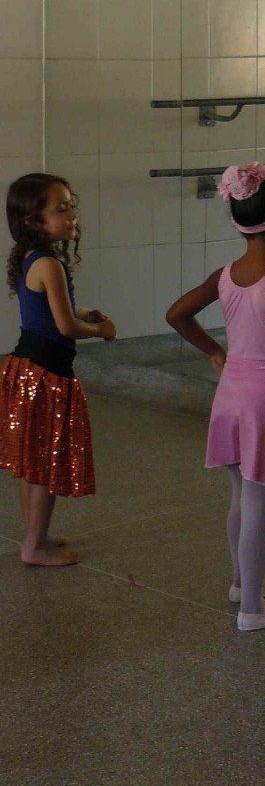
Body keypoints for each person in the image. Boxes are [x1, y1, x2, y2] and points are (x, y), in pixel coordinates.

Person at [166, 163, 265, 632]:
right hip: (264, 401)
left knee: (240, 493)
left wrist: (215, 351)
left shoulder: (225, 276)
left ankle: (243, 583)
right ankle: (253, 610)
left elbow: (176, 314)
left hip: (230, 394)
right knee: (259, 503)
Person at [0, 173, 116, 566]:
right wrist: (100, 330)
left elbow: (50, 311)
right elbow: (66, 327)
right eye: (60, 209)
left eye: (71, 206)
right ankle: (34, 547)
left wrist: (85, 311)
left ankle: (35, 535)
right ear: (33, 221)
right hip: (46, 375)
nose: (71, 215)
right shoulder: (49, 264)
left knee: (30, 463)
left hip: (25, 367)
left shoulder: (30, 258)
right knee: (45, 463)